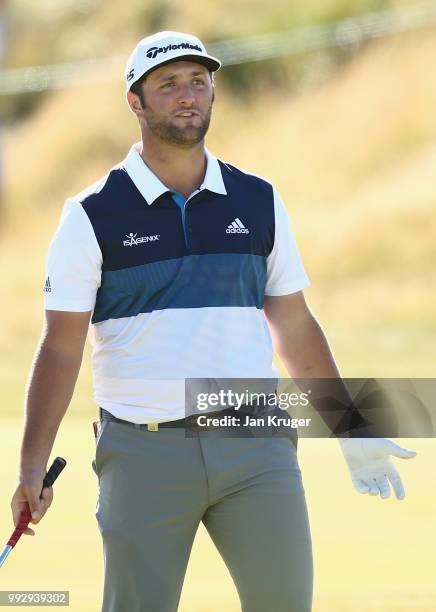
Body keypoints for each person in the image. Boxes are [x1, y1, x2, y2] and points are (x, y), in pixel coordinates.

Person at [11, 31, 417, 612]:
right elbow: (61, 347)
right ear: (136, 102)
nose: (188, 96)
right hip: (143, 454)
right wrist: (31, 465)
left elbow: (294, 326)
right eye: (168, 84)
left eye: (199, 82)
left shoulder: (258, 199)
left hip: (256, 445)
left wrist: (349, 426)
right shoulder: (91, 214)